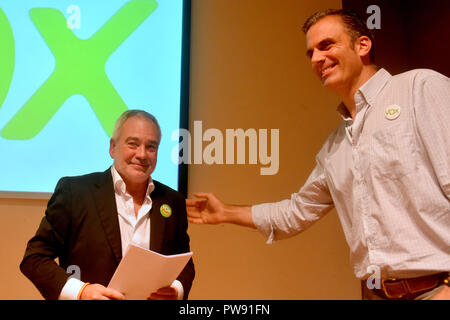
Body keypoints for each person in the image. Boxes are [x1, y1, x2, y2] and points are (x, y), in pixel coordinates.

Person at [187, 9, 449, 300]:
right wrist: (226, 212)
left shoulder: (419, 89)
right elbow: (296, 212)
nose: (316, 59)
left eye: (326, 45)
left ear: (363, 45)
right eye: (310, 53)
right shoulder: (335, 147)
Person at [20, 109, 195, 300]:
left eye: (151, 147)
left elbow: (184, 264)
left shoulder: (172, 200)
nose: (142, 154)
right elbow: (34, 259)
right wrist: (81, 292)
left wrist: (176, 290)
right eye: (133, 144)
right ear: (112, 147)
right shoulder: (75, 192)